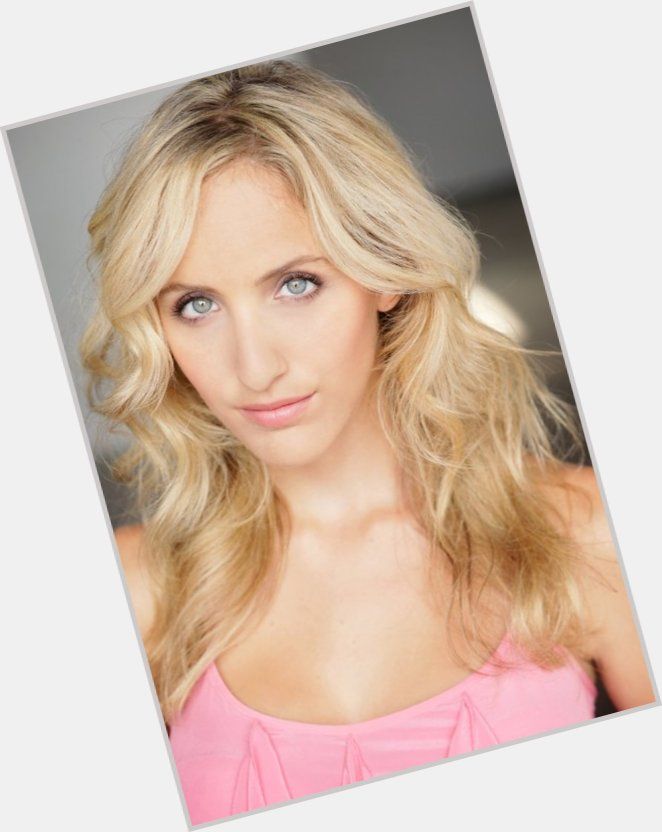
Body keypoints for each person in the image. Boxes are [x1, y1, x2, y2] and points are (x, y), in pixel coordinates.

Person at [80, 60, 653, 825]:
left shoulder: (582, 534)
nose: (254, 367)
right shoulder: (139, 591)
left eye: (296, 284)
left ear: (386, 273)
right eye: (195, 305)